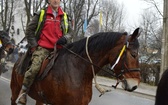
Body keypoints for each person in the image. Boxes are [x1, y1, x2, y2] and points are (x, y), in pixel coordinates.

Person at [16, 0, 73, 104]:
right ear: (49, 1)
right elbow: (29, 30)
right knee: (34, 68)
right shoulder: (41, 14)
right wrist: (34, 46)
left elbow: (70, 32)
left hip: (61, 49)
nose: (56, 1)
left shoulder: (65, 16)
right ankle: (23, 92)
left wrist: (65, 38)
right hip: (44, 48)